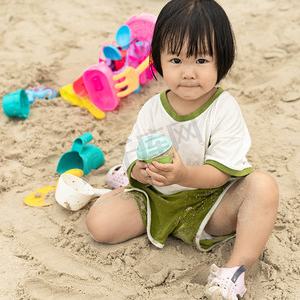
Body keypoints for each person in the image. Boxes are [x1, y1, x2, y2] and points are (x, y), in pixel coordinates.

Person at [86, 0, 279, 299]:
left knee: (263, 187)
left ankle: (234, 273)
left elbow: (219, 173)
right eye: (176, 60)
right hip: (158, 200)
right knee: (99, 223)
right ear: (159, 61)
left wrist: (182, 174)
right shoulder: (153, 109)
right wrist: (140, 170)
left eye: (201, 61)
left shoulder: (223, 108)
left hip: (211, 205)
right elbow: (134, 154)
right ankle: (126, 190)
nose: (188, 73)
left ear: (221, 60)